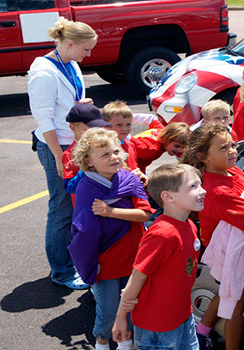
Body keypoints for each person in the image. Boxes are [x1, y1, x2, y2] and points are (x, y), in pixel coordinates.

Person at [28, 16, 97, 290]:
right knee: (61, 209)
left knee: (73, 205)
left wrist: (82, 105)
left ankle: (73, 263)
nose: (88, 55)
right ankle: (61, 271)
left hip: (74, 145)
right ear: (70, 43)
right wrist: (58, 156)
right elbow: (43, 120)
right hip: (57, 148)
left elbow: (68, 102)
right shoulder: (44, 72)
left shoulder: (71, 64)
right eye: (86, 49)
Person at [67, 128, 152, 350]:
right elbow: (83, 231)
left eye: (116, 151)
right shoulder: (86, 186)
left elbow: (145, 214)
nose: (114, 157)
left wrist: (111, 212)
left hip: (134, 258)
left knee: (132, 305)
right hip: (106, 263)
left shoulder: (130, 180)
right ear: (88, 161)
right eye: (105, 155)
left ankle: (125, 343)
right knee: (108, 311)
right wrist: (88, 263)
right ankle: (102, 342)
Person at [180, 123, 244, 350]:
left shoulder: (231, 170)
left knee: (226, 293)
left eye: (232, 144)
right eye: (224, 148)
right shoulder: (217, 191)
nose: (233, 151)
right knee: (237, 302)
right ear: (202, 157)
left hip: (235, 243)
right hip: (229, 251)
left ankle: (202, 330)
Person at [112, 163, 206, 350]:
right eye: (193, 186)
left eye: (200, 184)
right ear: (168, 196)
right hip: (157, 326)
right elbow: (137, 277)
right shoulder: (162, 234)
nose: (202, 191)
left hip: (182, 316)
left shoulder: (189, 225)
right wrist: (121, 318)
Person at [61, 103, 110, 202]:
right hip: (87, 206)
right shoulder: (69, 154)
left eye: (98, 127)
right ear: (73, 127)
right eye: (90, 129)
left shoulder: (106, 147)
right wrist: (86, 169)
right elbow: (70, 186)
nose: (95, 133)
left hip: (109, 202)